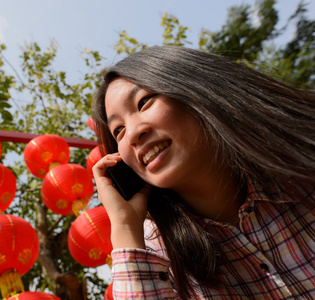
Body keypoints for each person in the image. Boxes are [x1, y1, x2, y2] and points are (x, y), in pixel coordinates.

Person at [91, 46, 315, 299]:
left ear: (195, 90)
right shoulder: (154, 254)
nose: (132, 134)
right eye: (118, 130)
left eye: (144, 102)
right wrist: (123, 227)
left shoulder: (300, 173)